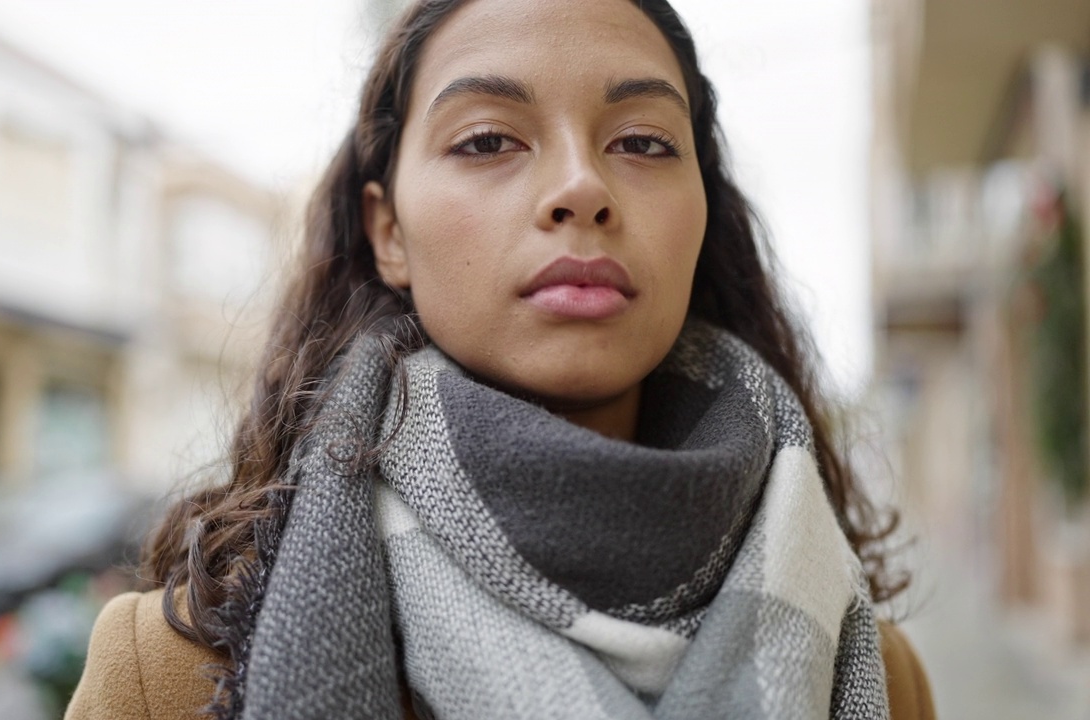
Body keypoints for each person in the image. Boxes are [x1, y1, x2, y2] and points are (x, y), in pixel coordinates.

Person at [66, 0, 936, 718]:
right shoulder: (170, 677)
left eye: (642, 142)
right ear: (388, 231)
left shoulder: (871, 674)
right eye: (487, 140)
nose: (581, 188)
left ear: (701, 215)